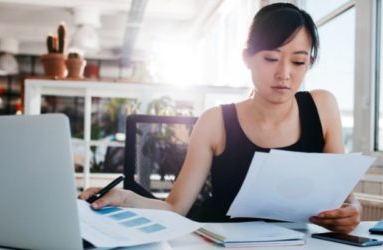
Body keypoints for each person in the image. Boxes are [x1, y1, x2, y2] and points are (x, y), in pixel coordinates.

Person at [79, 3, 361, 234]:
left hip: (301, 243)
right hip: (224, 240)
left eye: (298, 62)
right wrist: (126, 198)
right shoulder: (215, 121)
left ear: (308, 62)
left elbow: (339, 196)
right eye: (271, 59)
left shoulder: (323, 106)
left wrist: (352, 210)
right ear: (247, 58)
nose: (285, 74)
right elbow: (176, 207)